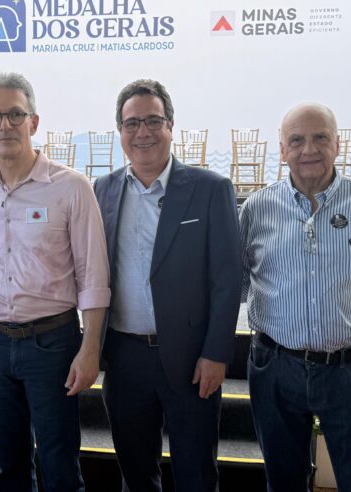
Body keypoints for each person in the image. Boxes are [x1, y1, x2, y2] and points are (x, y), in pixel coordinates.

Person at [240, 102, 351, 491]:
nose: (309, 149)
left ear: (338, 144)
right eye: (296, 140)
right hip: (275, 369)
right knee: (283, 482)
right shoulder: (256, 208)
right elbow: (238, 283)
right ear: (281, 149)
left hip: (350, 370)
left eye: (320, 138)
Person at [93, 79, 242, 491]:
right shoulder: (102, 191)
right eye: (132, 123)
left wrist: (216, 354)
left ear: (171, 125)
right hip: (125, 359)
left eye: (153, 121)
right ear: (120, 131)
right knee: (137, 474)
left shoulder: (210, 190)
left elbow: (228, 280)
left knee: (196, 473)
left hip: (192, 360)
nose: (142, 132)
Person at [0, 72, 110, 492]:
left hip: (53, 344)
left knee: (57, 463)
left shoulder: (71, 188)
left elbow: (94, 274)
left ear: (33, 122)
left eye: (15, 114)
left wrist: (91, 350)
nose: (5, 125)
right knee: (8, 463)